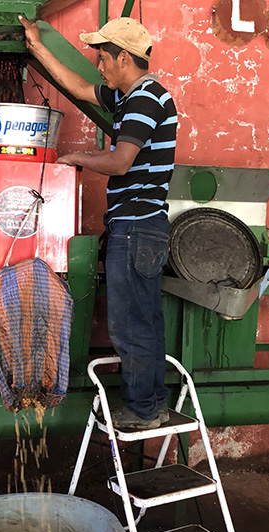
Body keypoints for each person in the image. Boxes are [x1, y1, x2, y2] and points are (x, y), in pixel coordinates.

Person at [18, 15, 178, 430]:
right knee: (145, 320)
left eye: (103, 57)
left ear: (123, 57)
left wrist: (75, 159)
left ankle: (143, 410)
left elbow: (121, 161)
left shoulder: (146, 99)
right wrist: (36, 47)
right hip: (142, 225)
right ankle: (153, 403)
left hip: (137, 225)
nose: (99, 65)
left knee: (129, 326)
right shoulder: (130, 98)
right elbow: (78, 87)